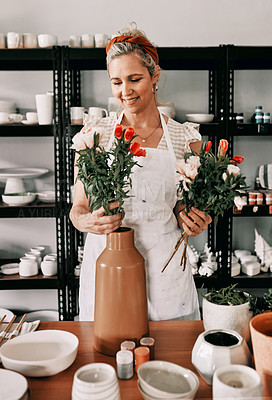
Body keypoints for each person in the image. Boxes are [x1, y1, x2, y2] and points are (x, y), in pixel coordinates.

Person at [69, 25, 212, 321]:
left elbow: (188, 204)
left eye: (135, 79)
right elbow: (78, 209)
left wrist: (195, 217)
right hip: (107, 266)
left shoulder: (186, 139)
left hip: (165, 271)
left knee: (170, 360)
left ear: (154, 76)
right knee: (107, 360)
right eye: (117, 82)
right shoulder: (95, 136)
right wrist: (87, 221)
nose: (125, 91)